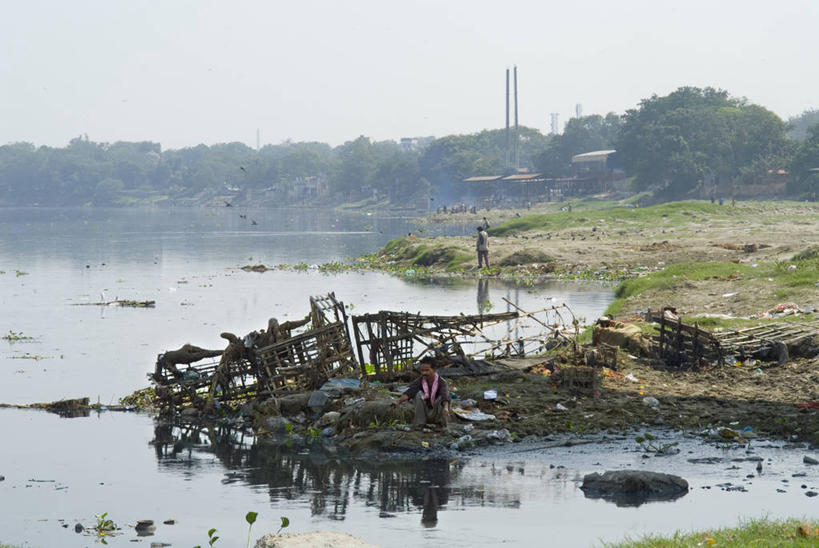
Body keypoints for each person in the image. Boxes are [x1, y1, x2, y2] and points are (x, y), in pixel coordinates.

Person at [395, 356, 451, 428]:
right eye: (422, 370)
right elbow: (410, 392)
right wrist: (398, 402)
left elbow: (445, 395)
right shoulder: (420, 381)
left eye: (427, 370)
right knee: (417, 394)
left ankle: (440, 424)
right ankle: (420, 423)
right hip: (425, 413)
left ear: (434, 370)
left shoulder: (441, 382)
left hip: (437, 414)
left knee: (444, 397)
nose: (424, 373)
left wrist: (445, 408)